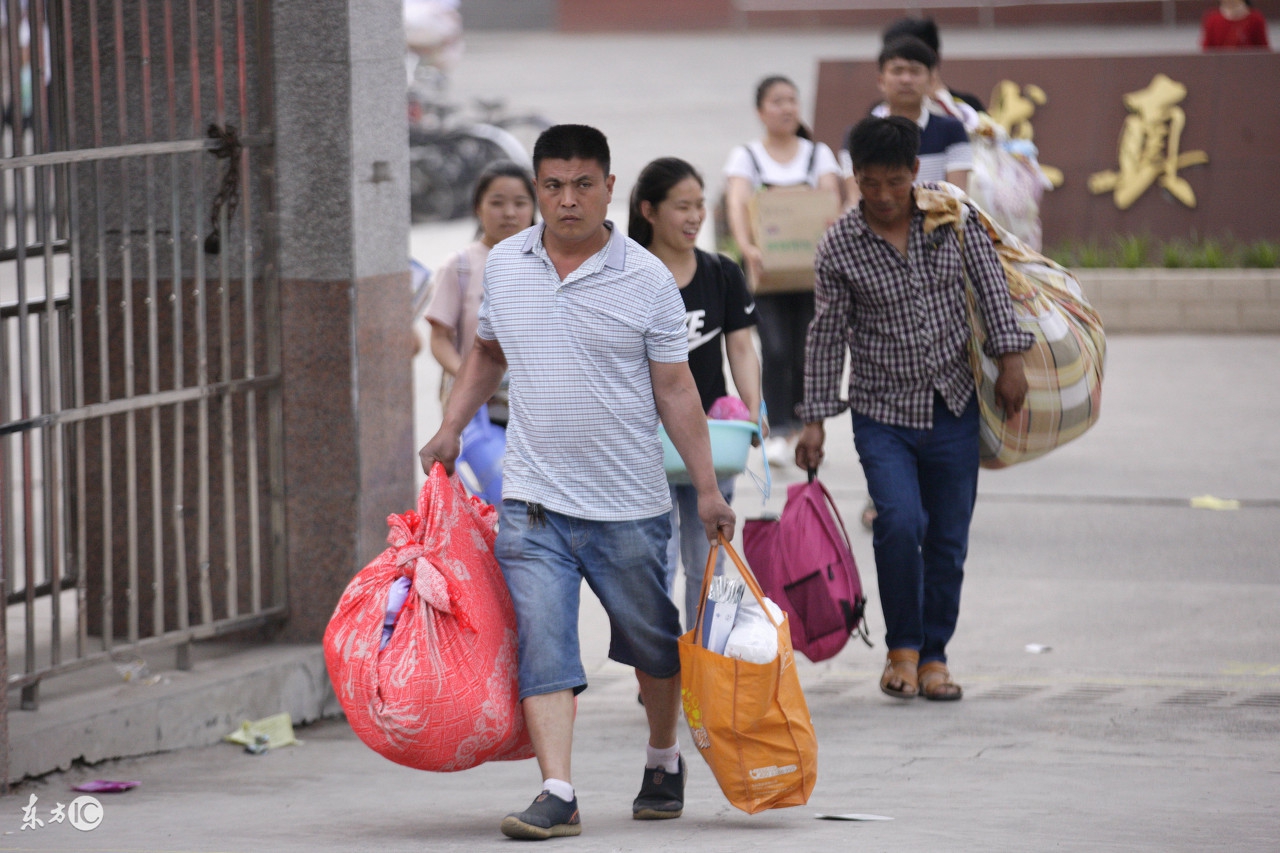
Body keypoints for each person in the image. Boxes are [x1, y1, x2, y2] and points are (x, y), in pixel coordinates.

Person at [419, 124, 736, 840]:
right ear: (538, 189)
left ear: (610, 189)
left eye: (582, 185)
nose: (567, 200)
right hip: (532, 499)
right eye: (553, 186)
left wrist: (709, 489)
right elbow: (488, 352)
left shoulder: (645, 277)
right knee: (544, 642)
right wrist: (451, 425)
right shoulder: (506, 264)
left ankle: (663, 758)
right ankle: (557, 789)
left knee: (653, 644)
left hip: (627, 502)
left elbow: (677, 389)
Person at [795, 116, 1032, 703]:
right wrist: (815, 419)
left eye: (894, 183)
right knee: (900, 523)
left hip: (955, 406)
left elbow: (992, 289)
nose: (881, 196)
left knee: (949, 538)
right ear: (855, 177)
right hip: (883, 415)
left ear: (914, 175)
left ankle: (934, 658)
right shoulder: (840, 246)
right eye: (869, 183)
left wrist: (1012, 362)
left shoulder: (954, 221)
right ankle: (901, 649)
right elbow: (826, 335)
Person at [629, 157, 762, 630]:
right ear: (649, 209)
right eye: (681, 206)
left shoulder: (721, 273)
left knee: (712, 557)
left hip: (712, 437)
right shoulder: (628, 275)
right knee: (655, 561)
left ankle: (710, 660)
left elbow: (742, 348)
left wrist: (753, 408)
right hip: (646, 440)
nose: (694, 217)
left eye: (700, 206)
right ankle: (661, 668)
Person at [722, 75, 842, 461]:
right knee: (773, 348)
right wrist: (747, 247)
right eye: (777, 101)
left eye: (792, 100)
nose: (787, 107)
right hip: (766, 271)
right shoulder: (747, 156)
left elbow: (831, 202)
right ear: (761, 111)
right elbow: (737, 204)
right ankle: (777, 426)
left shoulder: (818, 154)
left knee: (808, 348)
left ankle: (804, 424)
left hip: (812, 272)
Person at [423, 159, 536, 418]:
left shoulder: (550, 264)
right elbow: (439, 338)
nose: (509, 213)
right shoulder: (459, 266)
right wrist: (467, 377)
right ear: (478, 207)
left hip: (538, 411)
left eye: (520, 203)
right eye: (497, 203)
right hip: (479, 411)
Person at [840, 36, 972, 206]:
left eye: (915, 71)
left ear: (931, 81)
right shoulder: (858, 136)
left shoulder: (952, 130)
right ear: (881, 81)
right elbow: (857, 200)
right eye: (897, 71)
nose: (906, 79)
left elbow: (957, 199)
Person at [882, 17, 985, 125]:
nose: (906, 79)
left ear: (933, 59)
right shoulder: (879, 112)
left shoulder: (968, 106)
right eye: (897, 69)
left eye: (914, 67)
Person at [1201, 0, 1270, 48]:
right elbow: (1207, 51)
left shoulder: (1255, 19)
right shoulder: (1212, 19)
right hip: (1220, 66)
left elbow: (1263, 51)